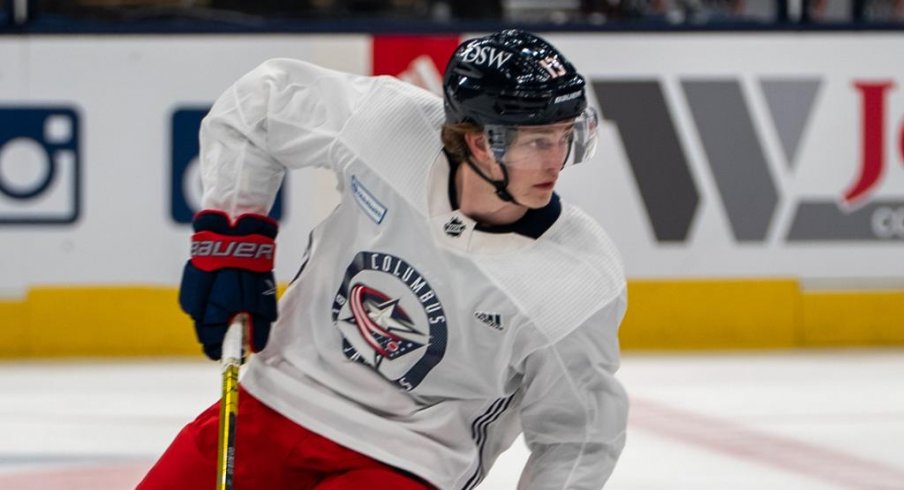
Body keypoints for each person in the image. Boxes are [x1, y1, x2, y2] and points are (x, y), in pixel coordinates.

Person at [138, 29, 628, 490]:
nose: (556, 161)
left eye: (567, 136)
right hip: (274, 402)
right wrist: (232, 238)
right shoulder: (389, 129)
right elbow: (263, 103)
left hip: (409, 460)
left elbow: (578, 440)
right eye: (538, 142)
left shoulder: (577, 281)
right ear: (480, 141)